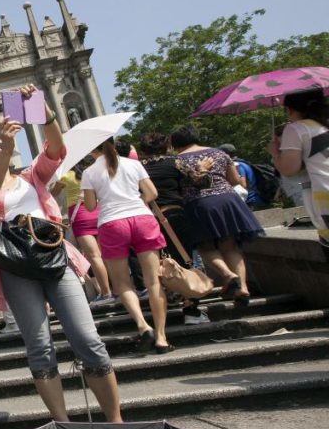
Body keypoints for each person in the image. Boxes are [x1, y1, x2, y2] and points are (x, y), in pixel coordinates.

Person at [0, 83, 121, 422]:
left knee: (87, 338)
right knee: (39, 346)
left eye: (0, 145)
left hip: (53, 257)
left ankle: (115, 419)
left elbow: (57, 148)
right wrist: (6, 148)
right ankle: (63, 423)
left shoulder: (33, 176)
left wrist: (40, 107)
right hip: (14, 267)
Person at [82, 138, 172, 353]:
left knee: (122, 284)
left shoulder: (89, 172)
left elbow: (91, 205)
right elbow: (152, 193)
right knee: (153, 281)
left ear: (92, 149)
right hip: (142, 218)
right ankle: (161, 336)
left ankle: (143, 325)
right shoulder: (133, 163)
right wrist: (136, 204)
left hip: (112, 223)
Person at [171, 125, 265, 305]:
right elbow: (235, 180)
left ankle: (227, 274)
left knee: (205, 246)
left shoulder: (177, 161)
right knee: (230, 246)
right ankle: (242, 287)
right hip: (228, 201)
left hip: (199, 204)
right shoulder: (219, 153)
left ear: (175, 143)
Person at [140, 132, 210, 325]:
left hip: (147, 220)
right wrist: (202, 169)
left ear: (143, 150)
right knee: (184, 260)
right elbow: (201, 182)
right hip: (175, 215)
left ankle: (165, 303)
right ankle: (191, 309)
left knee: (156, 266)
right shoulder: (175, 162)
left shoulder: (137, 167)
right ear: (167, 146)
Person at [270, 89, 329, 248]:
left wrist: (275, 153)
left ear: (290, 109)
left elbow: (289, 169)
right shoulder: (324, 125)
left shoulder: (297, 128)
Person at [53, 159, 113, 306]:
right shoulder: (93, 172)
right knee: (106, 255)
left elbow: (52, 193)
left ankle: (106, 293)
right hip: (99, 213)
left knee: (94, 257)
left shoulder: (66, 175)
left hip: (81, 216)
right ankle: (117, 289)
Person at [218, 144, 268, 210]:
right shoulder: (244, 163)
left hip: (251, 203)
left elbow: (243, 185)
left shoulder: (236, 165)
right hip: (256, 200)